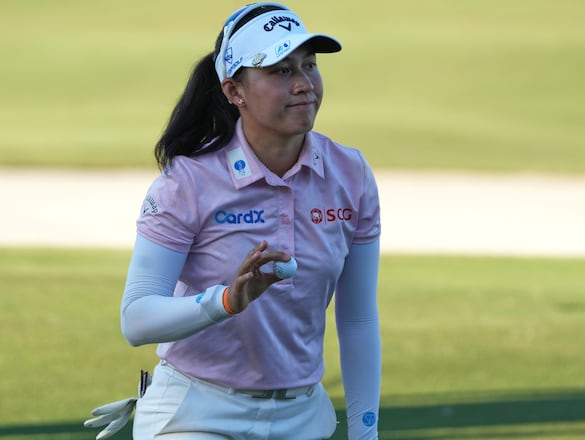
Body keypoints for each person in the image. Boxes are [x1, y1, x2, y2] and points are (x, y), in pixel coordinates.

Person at [87, 2, 381, 439]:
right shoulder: (188, 180)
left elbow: (357, 319)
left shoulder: (350, 173)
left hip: (302, 417)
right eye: (280, 71)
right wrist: (226, 301)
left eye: (309, 65)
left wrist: (365, 433)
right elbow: (137, 319)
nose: (304, 84)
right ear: (234, 91)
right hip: (196, 413)